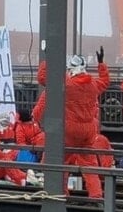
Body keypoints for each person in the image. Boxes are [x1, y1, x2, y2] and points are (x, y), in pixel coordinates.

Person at [33, 47, 110, 198]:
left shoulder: (67, 85)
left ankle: (61, 194)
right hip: (88, 131)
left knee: (59, 162)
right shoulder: (93, 85)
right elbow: (105, 81)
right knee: (89, 165)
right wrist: (101, 64)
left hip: (69, 130)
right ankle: (96, 195)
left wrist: (48, 58)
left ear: (71, 70)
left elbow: (44, 78)